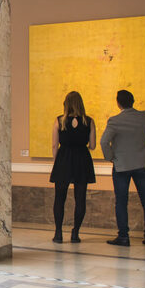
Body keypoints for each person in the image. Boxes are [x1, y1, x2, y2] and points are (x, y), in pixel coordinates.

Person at [100, 89, 145, 247]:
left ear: (118, 103)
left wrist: (110, 157)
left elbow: (104, 142)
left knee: (121, 202)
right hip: (141, 164)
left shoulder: (114, 121)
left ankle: (124, 236)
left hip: (122, 166)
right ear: (133, 101)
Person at [49, 91, 96, 243]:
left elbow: (55, 145)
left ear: (66, 104)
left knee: (59, 198)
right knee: (80, 199)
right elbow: (93, 145)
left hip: (64, 159)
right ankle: (75, 233)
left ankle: (58, 233)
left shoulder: (59, 121)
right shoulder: (89, 121)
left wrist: (57, 161)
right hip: (82, 159)